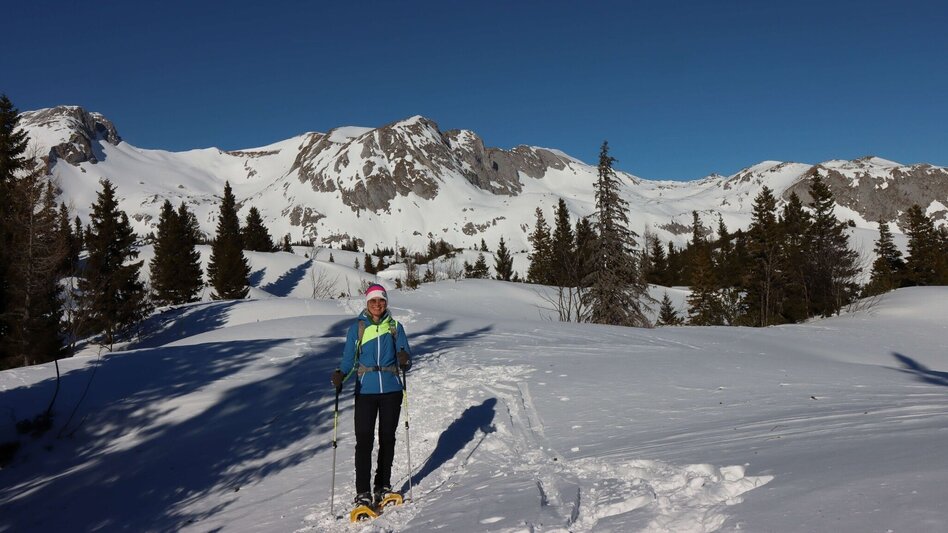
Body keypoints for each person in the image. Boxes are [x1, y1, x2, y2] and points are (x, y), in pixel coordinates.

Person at [331, 283, 411, 509]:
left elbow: (406, 356)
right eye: (373, 301)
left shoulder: (395, 327)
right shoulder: (358, 328)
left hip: (392, 390)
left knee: (388, 439)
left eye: (381, 300)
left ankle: (382, 486)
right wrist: (341, 375)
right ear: (367, 303)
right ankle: (363, 492)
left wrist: (405, 359)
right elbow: (349, 360)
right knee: (364, 441)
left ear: (386, 302)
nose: (378, 305)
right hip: (365, 391)